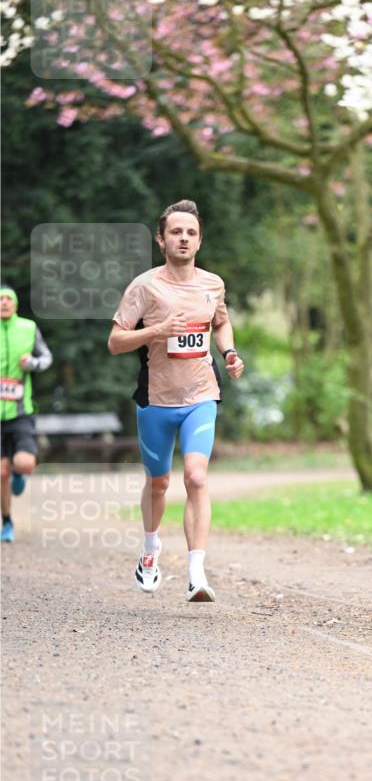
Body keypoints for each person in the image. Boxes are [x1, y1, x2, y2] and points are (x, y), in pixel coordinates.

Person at [108, 200, 244, 602]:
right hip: (156, 400)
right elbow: (115, 341)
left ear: (199, 240)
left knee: (197, 477)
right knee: (158, 483)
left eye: (191, 233)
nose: (183, 239)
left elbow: (220, 321)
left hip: (201, 394)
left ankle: (196, 573)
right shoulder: (145, 286)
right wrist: (157, 331)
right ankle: (150, 551)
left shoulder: (212, 284)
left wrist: (230, 353)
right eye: (176, 232)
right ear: (161, 238)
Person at [1, 285, 53, 542]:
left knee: (24, 463)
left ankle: (19, 474)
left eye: (8, 299)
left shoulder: (28, 328)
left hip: (21, 412)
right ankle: (7, 522)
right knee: (1, 473)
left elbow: (46, 358)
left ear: (15, 304)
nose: (3, 303)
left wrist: (31, 364)